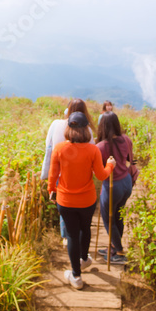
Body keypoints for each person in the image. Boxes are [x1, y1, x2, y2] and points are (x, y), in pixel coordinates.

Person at [48, 111, 115, 289]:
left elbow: (52, 175)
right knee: (86, 229)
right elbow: (101, 175)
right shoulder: (93, 150)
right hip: (87, 200)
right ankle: (84, 259)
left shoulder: (59, 149)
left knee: (71, 235)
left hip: (65, 201)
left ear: (69, 128)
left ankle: (76, 276)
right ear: (87, 129)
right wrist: (110, 165)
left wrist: (51, 190)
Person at [41, 99, 96, 243]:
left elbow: (48, 147)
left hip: (60, 171)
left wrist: (50, 183)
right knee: (79, 204)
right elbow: (92, 152)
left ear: (68, 109)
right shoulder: (87, 129)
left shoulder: (56, 124)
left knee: (64, 203)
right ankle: (76, 236)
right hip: (81, 173)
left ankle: (67, 236)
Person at [96, 111, 138, 263]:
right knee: (118, 215)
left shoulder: (100, 146)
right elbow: (131, 159)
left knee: (109, 219)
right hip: (126, 182)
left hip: (112, 185)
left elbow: (99, 170)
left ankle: (119, 251)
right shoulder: (126, 139)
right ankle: (114, 247)